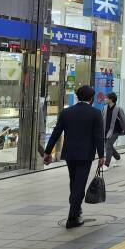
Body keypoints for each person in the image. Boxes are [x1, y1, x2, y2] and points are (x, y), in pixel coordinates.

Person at [43, 85, 104, 229]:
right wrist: (102, 155)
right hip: (85, 154)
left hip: (70, 154)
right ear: (91, 98)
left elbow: (56, 133)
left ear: (78, 97)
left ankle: (76, 209)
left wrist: (47, 152)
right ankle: (72, 217)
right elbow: (98, 136)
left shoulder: (66, 112)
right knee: (79, 185)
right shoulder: (95, 113)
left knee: (74, 181)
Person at [101, 92, 125, 170]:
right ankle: (118, 159)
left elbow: (124, 120)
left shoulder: (118, 109)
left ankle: (106, 164)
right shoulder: (104, 108)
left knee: (108, 146)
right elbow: (102, 119)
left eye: (106, 98)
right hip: (105, 131)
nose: (105, 99)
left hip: (115, 131)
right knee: (109, 146)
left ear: (111, 99)